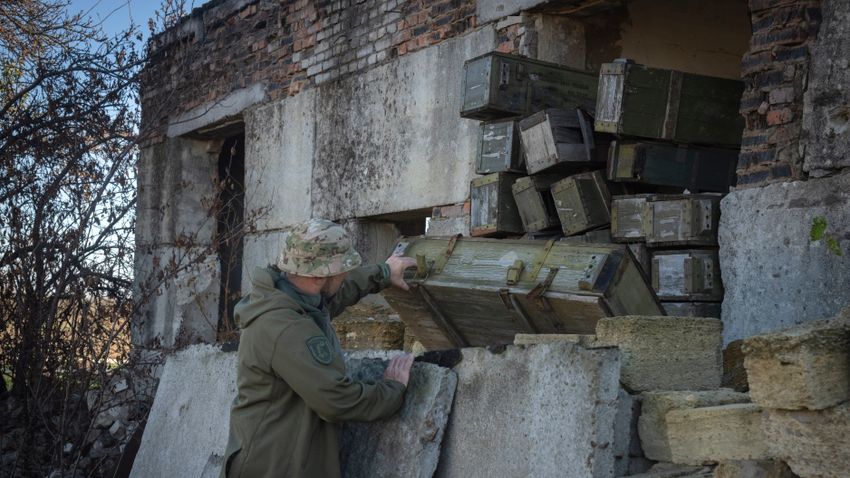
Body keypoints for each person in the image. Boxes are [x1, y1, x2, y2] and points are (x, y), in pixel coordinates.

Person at [221, 218, 417, 478]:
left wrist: (383, 273)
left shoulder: (288, 297)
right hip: (274, 468)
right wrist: (392, 389)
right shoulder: (287, 327)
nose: (346, 274)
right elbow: (337, 400)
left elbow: (334, 295)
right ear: (318, 277)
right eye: (342, 269)